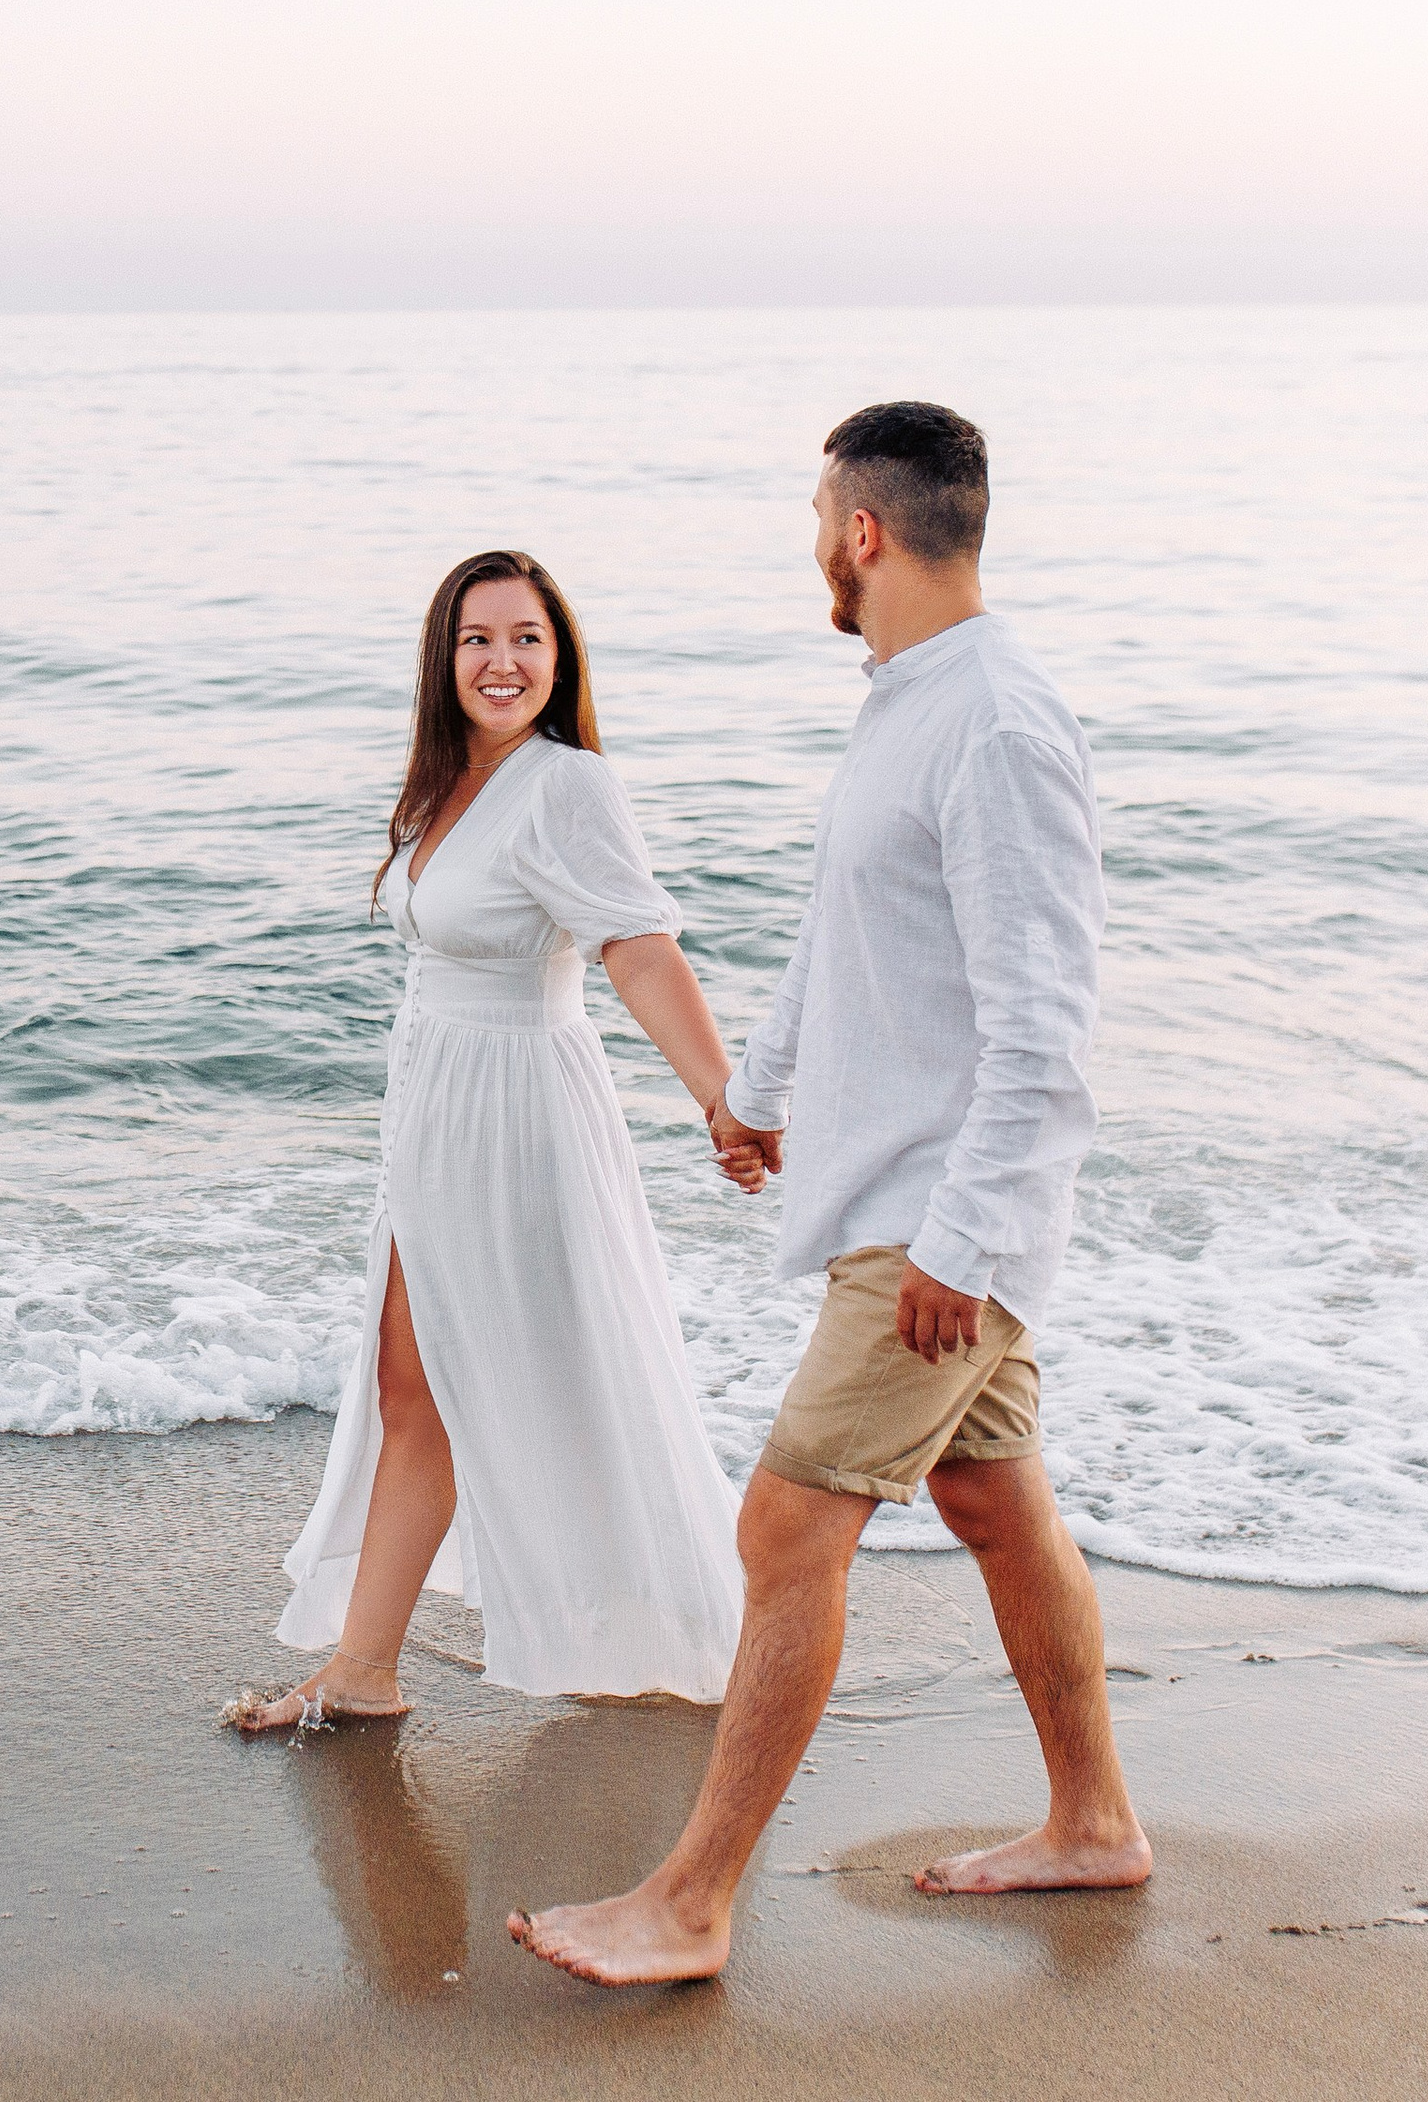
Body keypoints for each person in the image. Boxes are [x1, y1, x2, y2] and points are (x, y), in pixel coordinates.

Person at [509, 403, 1152, 1986]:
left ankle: (690, 1904)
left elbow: (1045, 1028)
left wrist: (964, 1245)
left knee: (788, 1523)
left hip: (936, 1225)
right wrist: (758, 1095)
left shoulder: (995, 724)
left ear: (865, 531)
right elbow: (844, 934)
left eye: (818, 520)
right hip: (906, 1203)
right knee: (997, 1506)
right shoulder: (910, 704)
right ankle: (1094, 1824)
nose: (813, 547)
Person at [228, 549, 762, 1732]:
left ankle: (681, 1621)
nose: (502, 661)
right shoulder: (449, 781)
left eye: (527, 637)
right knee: (412, 1384)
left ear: (560, 655)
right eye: (477, 638)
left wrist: (719, 1097)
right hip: (434, 1114)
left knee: (523, 1376)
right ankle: (363, 1668)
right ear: (445, 655)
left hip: (517, 1117)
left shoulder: (565, 784)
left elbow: (637, 947)